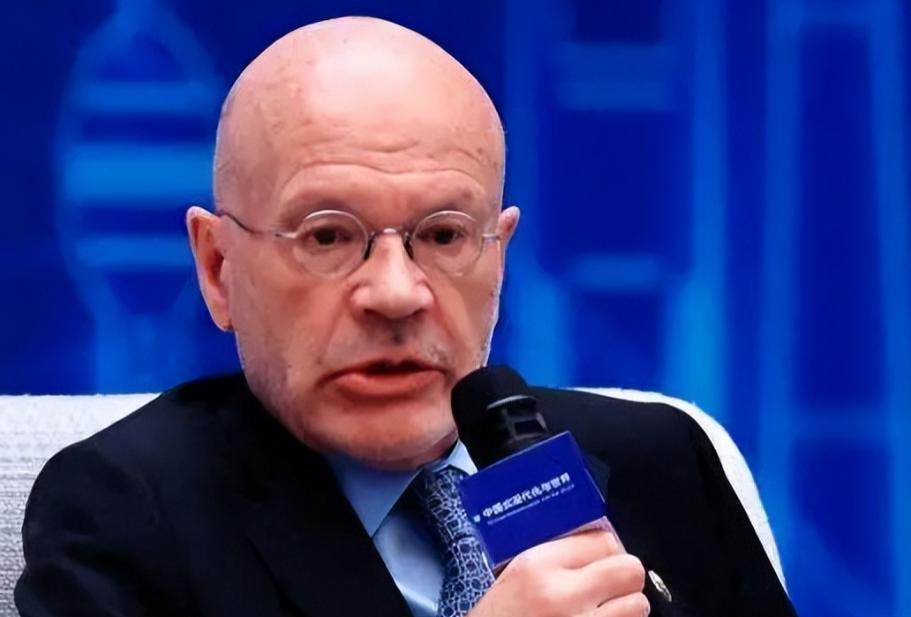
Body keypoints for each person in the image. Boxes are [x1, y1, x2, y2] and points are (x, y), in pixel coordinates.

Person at [15, 16, 797, 617]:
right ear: (219, 268)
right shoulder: (125, 510)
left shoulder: (658, 456)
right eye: (327, 235)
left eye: (444, 236)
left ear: (498, 256)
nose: (395, 293)